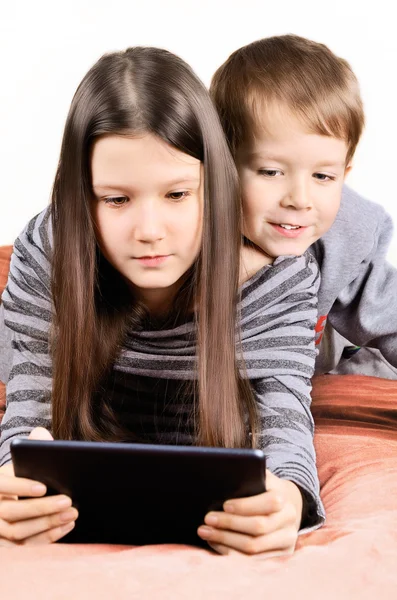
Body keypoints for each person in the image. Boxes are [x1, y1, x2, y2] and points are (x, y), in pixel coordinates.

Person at [0, 46, 323, 554]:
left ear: (213, 187)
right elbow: (29, 403)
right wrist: (12, 480)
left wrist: (288, 496)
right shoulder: (49, 250)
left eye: (176, 195)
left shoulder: (275, 276)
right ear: (80, 198)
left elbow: (285, 409)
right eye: (116, 199)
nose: (149, 232)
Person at [210, 34, 397, 379]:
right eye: (271, 172)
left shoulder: (344, 237)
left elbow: (390, 314)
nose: (299, 199)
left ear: (344, 175)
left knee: (374, 367)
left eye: (323, 176)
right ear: (221, 166)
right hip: (233, 373)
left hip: (326, 358)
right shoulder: (185, 231)